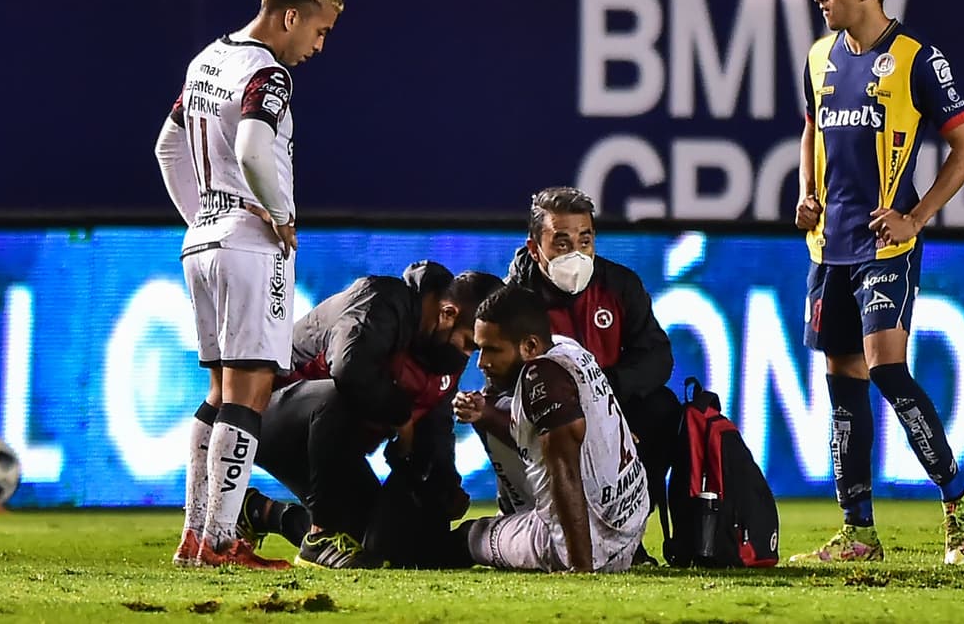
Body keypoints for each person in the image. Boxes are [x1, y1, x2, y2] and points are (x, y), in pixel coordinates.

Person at [790, 0, 964, 566]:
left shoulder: (917, 60)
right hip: (830, 247)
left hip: (885, 246)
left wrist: (917, 217)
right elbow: (811, 127)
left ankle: (958, 505)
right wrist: (807, 191)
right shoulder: (819, 57)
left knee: (885, 368)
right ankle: (858, 532)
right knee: (841, 379)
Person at [154, 0, 343, 569]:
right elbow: (254, 145)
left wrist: (202, 216)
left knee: (218, 390)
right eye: (318, 31)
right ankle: (219, 541)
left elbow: (168, 145)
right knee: (252, 386)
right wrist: (277, 211)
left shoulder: (207, 60)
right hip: (247, 241)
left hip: (204, 240)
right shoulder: (268, 72)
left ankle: (196, 534)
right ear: (290, 16)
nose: (317, 46)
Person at [458, 187, 679, 562]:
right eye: (561, 242)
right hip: (545, 417)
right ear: (534, 247)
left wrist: (607, 403)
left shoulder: (620, 285)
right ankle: (531, 518)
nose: (575, 253)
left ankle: (634, 531)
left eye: (585, 240)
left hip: (614, 409)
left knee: (664, 409)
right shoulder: (517, 300)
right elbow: (500, 377)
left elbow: (657, 357)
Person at [241, 262, 504, 569]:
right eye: (470, 344)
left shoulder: (444, 354)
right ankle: (319, 534)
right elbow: (350, 369)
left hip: (336, 447)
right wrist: (402, 416)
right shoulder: (381, 300)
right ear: (448, 313)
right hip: (271, 414)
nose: (469, 356)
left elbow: (436, 426)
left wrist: (443, 486)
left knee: (378, 545)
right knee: (334, 396)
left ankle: (261, 511)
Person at [454, 285, 650, 573]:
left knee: (471, 535)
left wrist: (580, 568)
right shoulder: (567, 348)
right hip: (631, 523)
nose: (482, 363)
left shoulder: (540, 378)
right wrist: (485, 414)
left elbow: (566, 471)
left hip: (585, 544)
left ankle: (404, 554)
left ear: (530, 347)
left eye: (492, 350)